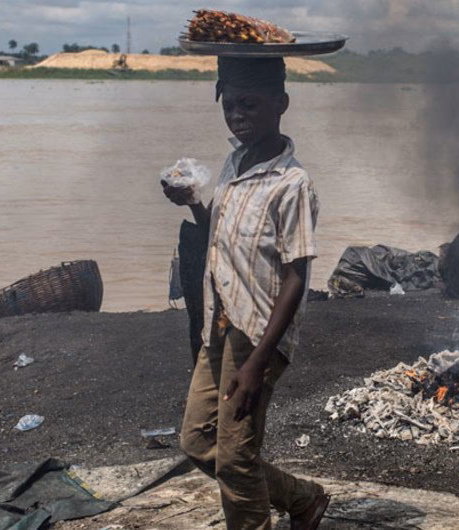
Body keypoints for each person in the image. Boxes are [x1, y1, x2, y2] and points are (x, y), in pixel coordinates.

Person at [163, 56, 328, 530]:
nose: (237, 115)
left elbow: (297, 275)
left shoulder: (292, 184)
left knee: (236, 459)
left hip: (257, 335)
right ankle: (302, 499)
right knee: (197, 442)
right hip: (219, 323)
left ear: (281, 103)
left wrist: (258, 362)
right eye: (229, 104)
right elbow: (221, 232)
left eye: (249, 105)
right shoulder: (235, 161)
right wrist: (193, 202)